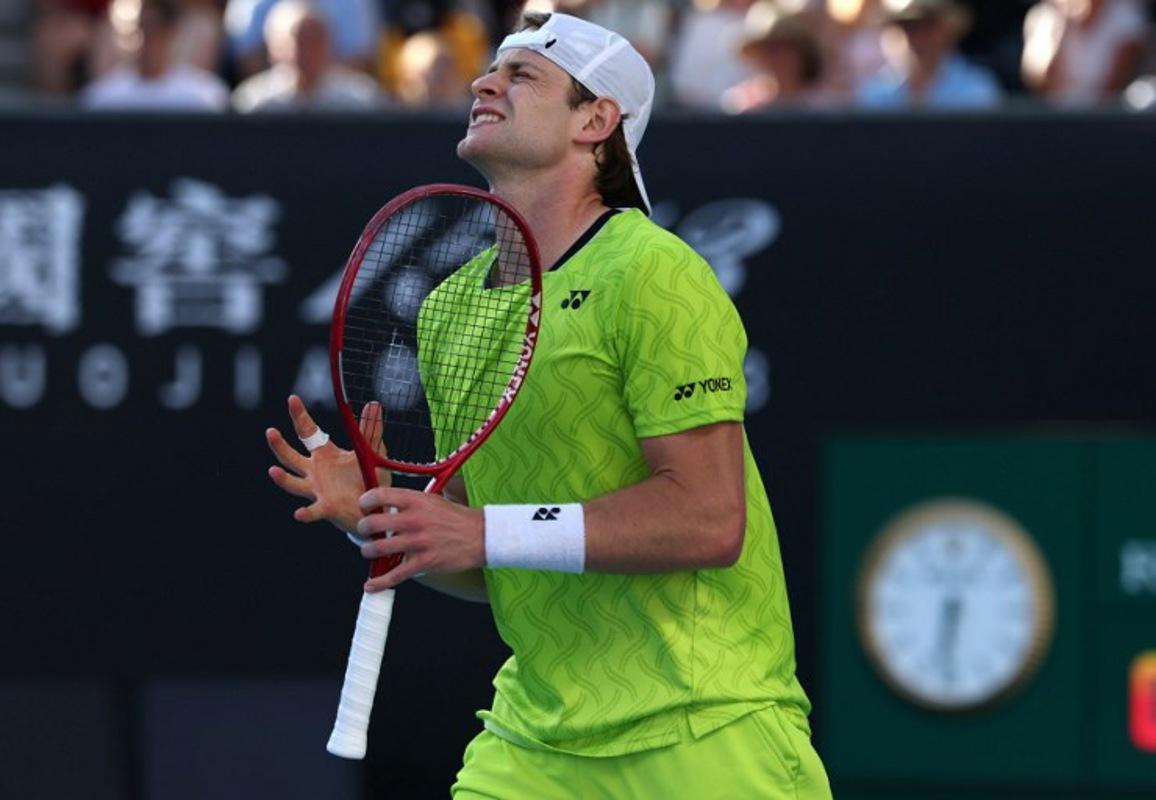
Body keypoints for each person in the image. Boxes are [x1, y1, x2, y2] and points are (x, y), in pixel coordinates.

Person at [266, 10, 832, 799]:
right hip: (535, 742)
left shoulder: (655, 274)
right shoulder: (450, 310)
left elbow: (709, 519)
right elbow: (487, 555)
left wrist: (481, 528)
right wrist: (386, 520)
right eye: (491, 69)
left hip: (704, 727)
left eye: (522, 74)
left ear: (596, 120)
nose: (483, 81)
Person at [232, 0, 383, 111]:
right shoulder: (253, 103)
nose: (306, 50)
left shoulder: (362, 102)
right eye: (298, 39)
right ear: (273, 47)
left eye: (316, 39)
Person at [80, 0, 227, 110]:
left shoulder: (206, 98)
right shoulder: (100, 99)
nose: (143, 38)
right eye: (135, 29)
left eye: (152, 26)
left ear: (171, 32)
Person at [857, 0, 1002, 109]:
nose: (918, 38)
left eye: (928, 27)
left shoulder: (977, 90)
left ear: (947, 30)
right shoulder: (875, 94)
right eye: (908, 27)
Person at [1022, 0, 1148, 106]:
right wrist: (1061, 28)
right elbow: (1041, 84)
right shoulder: (1047, 15)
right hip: (1053, 122)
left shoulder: (1127, 16)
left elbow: (1112, 90)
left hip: (1103, 123)